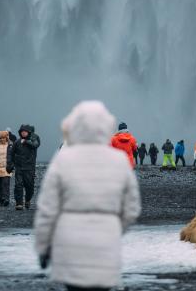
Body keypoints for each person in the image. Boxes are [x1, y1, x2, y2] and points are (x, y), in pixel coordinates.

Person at [34, 101, 141, 291]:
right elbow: (131, 208)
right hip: (106, 244)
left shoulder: (63, 160)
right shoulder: (118, 161)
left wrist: (43, 247)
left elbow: (47, 209)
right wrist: (114, 228)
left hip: (70, 244)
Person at [9, 124, 40, 210]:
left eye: (25, 132)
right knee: (18, 186)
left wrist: (26, 142)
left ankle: (27, 200)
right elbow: (11, 153)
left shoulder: (34, 139)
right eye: (22, 132)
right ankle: (19, 203)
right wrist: (10, 164)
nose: (23, 133)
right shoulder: (17, 142)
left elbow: (35, 145)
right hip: (19, 168)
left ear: (28, 132)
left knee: (29, 186)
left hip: (29, 169)